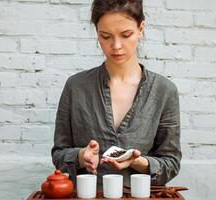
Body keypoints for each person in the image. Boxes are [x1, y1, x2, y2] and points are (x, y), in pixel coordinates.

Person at [51, 0, 181, 188]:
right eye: (105, 36)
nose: (116, 45)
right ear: (97, 33)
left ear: (141, 28)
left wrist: (135, 160)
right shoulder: (76, 86)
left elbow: (171, 163)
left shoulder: (164, 90)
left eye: (126, 35)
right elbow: (59, 155)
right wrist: (81, 156)